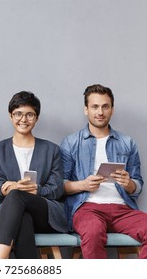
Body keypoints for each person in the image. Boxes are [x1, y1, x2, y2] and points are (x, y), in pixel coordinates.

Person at [60, 84, 147, 259]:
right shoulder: (71, 143)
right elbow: (60, 186)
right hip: (87, 208)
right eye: (95, 106)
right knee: (92, 233)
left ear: (112, 110)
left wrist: (128, 183)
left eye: (105, 106)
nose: (100, 112)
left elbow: (138, 186)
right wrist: (83, 184)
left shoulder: (127, 142)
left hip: (123, 209)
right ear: (86, 109)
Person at [0, 91, 68, 259]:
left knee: (17, 195)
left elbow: (57, 189)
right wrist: (10, 187)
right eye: (18, 114)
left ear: (36, 118)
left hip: (45, 213)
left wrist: (35, 190)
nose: (23, 119)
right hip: (9, 213)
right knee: (23, 219)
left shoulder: (51, 150)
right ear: (10, 116)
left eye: (30, 114)